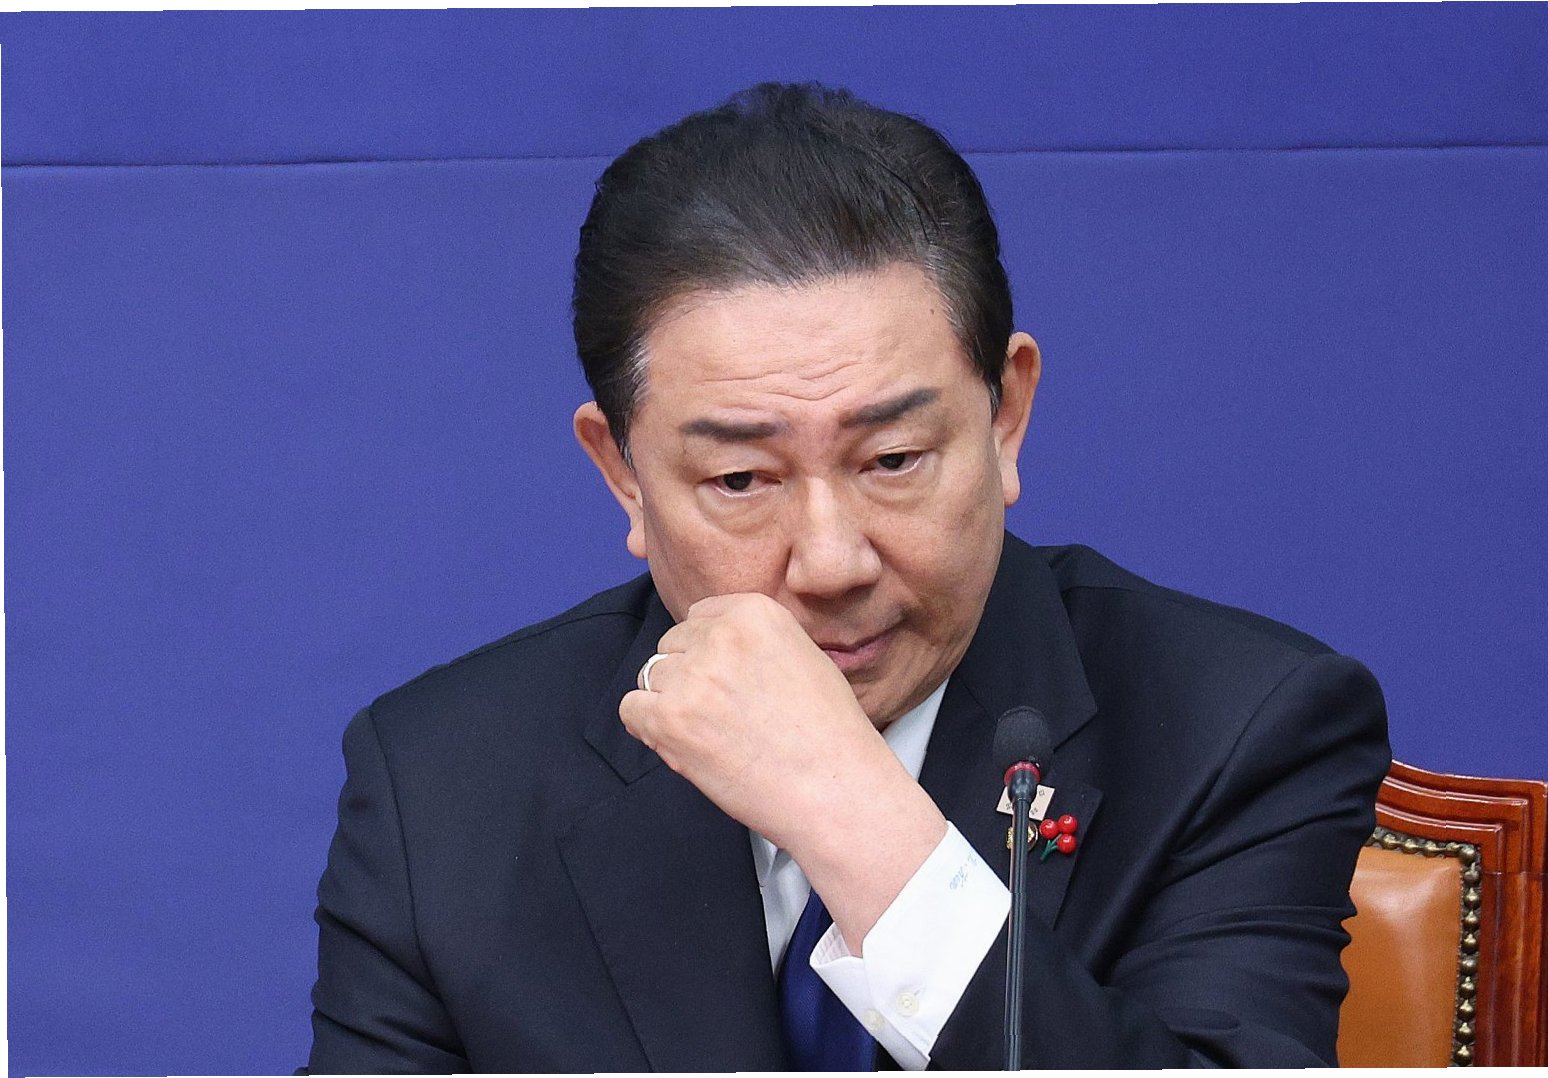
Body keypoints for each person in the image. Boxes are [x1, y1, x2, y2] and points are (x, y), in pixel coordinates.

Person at [305, 82, 1390, 1072]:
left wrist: (853, 815)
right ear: (622, 473)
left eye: (894, 460)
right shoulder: (442, 788)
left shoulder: (1235, 730)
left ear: (1006, 416)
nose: (831, 561)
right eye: (741, 479)